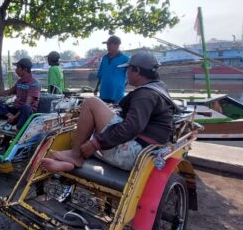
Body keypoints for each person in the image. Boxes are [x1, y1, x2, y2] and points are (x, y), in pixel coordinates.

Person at [41, 52, 176, 173]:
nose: (126, 73)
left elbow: (132, 127)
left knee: (91, 103)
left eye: (128, 69)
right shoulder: (158, 88)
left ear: (137, 70)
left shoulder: (146, 95)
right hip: (145, 150)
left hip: (136, 154)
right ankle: (69, 164)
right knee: (95, 124)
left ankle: (75, 154)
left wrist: (96, 143)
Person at [0, 57, 40, 130]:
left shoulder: (34, 83)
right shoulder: (19, 82)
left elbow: (27, 104)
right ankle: (10, 116)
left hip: (25, 112)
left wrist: (15, 117)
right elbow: (8, 91)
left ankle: (17, 124)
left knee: (25, 107)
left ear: (24, 69)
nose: (16, 70)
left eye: (18, 67)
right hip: (15, 110)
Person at [94, 35, 129, 103]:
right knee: (103, 112)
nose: (107, 46)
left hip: (117, 94)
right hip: (104, 92)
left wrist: (122, 87)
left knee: (116, 111)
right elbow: (100, 74)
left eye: (109, 44)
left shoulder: (126, 59)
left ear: (117, 45)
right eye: (107, 44)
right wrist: (96, 88)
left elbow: (131, 75)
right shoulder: (104, 58)